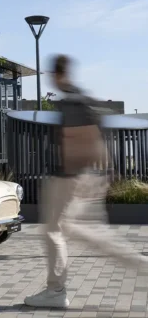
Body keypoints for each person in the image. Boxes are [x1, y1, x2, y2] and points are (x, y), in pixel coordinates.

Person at [24, 54, 148, 308]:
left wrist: (68, 176)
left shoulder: (71, 103)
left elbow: (82, 139)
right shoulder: (82, 99)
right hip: (84, 178)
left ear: (59, 75)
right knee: (86, 234)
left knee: (56, 230)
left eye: (52, 75)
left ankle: (56, 291)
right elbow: (97, 136)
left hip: (71, 178)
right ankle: (56, 290)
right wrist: (104, 171)